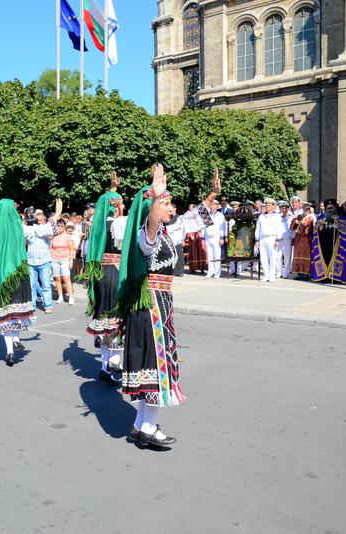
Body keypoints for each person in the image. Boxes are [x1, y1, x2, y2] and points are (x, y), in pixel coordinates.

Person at [116, 164, 220, 449]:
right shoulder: (147, 235)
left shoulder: (166, 234)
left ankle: (141, 425)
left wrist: (212, 195)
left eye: (170, 203)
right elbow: (151, 224)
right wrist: (154, 196)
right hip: (151, 306)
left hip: (161, 304)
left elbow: (191, 221)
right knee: (156, 364)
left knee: (153, 365)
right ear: (151, 208)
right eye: (166, 204)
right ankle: (149, 428)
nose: (171, 208)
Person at [0, 199, 61, 366]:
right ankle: (16, 339)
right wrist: (56, 214)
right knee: (17, 312)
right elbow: (45, 229)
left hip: (0, 277)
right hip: (18, 275)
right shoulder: (20, 227)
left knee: (6, 314)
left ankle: (10, 352)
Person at [80, 181, 127, 384]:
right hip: (116, 272)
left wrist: (112, 191)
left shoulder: (98, 226)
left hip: (100, 274)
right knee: (118, 317)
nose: (123, 205)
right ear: (115, 205)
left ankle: (104, 368)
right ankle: (115, 361)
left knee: (104, 317)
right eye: (120, 202)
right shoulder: (118, 224)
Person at [310, 200, 346, 283]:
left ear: (335, 208)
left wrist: (338, 226)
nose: (330, 210)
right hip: (323, 245)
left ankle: (334, 276)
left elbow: (345, 230)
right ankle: (324, 276)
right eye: (328, 208)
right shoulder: (321, 217)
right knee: (325, 259)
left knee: (335, 259)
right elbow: (315, 230)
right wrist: (320, 227)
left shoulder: (341, 218)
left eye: (332, 208)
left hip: (336, 244)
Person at [27, 208, 56, 314]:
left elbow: (51, 236)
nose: (38, 222)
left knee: (46, 285)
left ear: (44, 220)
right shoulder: (30, 229)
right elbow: (25, 241)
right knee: (31, 285)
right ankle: (32, 305)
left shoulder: (47, 229)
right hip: (31, 261)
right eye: (36, 220)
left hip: (44, 261)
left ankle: (48, 305)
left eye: (40, 220)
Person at [254, 198, 283, 283]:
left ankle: (272, 276)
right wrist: (257, 240)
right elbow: (258, 228)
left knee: (272, 257)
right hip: (263, 238)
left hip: (272, 238)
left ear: (273, 206)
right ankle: (266, 275)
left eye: (269, 205)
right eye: (266, 205)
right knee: (263, 257)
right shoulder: (261, 216)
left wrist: (278, 239)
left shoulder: (277, 216)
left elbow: (279, 228)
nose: (267, 206)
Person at [50, 219, 76, 304]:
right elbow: (50, 247)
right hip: (54, 259)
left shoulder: (68, 237)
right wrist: (50, 258)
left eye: (62, 225)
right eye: (58, 225)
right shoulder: (53, 236)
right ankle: (60, 296)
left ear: (64, 227)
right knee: (57, 278)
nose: (60, 227)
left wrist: (71, 261)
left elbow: (71, 249)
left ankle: (70, 297)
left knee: (66, 278)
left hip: (65, 259)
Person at [202, 199, 226, 279]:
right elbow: (203, 227)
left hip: (216, 237)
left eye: (213, 205)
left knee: (217, 255)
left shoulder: (220, 215)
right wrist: (202, 238)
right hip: (208, 237)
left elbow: (222, 227)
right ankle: (210, 272)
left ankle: (217, 273)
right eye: (210, 205)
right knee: (209, 256)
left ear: (216, 206)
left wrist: (222, 238)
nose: (211, 207)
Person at [291, 204, 314, 279]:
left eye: (306, 210)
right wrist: (295, 221)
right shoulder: (300, 216)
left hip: (306, 240)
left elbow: (306, 228)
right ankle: (299, 274)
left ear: (309, 210)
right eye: (304, 210)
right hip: (298, 240)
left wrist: (299, 223)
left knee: (306, 256)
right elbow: (292, 227)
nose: (305, 212)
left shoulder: (311, 217)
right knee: (298, 256)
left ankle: (306, 275)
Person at [276, 200, 294, 279]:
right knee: (278, 257)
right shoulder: (278, 218)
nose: (283, 210)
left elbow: (293, 230)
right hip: (279, 240)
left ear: (288, 208)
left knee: (287, 257)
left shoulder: (292, 218)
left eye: (285, 208)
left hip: (287, 239)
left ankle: (286, 272)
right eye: (282, 208)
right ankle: (279, 272)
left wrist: (292, 238)